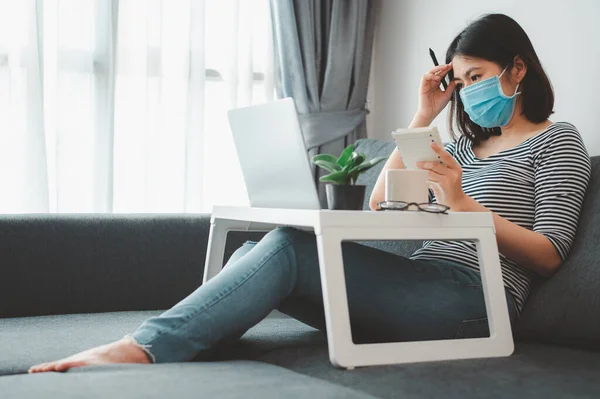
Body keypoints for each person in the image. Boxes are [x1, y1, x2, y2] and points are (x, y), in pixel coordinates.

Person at [29, 13, 591, 373]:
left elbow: (549, 253)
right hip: (427, 285)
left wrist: (465, 207)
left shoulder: (557, 140)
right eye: (460, 82)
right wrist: (425, 113)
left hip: (477, 303)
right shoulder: (466, 148)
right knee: (257, 250)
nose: (467, 94)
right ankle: (163, 344)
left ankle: (144, 348)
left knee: (287, 251)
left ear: (516, 70)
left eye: (477, 78)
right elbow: (379, 203)